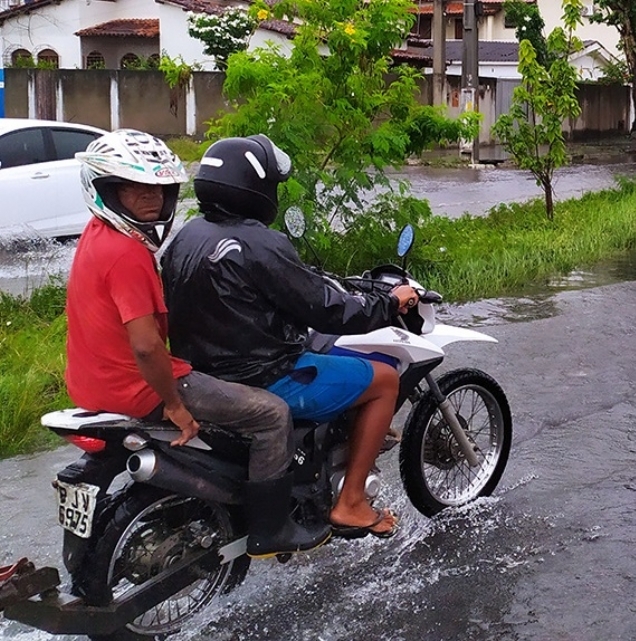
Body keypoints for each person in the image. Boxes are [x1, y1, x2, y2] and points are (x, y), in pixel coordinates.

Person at [65, 129, 330, 558]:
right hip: (137, 386)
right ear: (106, 191)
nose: (149, 199)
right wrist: (173, 404)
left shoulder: (97, 236)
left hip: (91, 386)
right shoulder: (127, 255)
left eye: (159, 189)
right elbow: (148, 347)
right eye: (133, 189)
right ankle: (271, 529)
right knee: (271, 414)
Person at [160, 134, 419, 539]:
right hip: (264, 375)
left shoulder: (187, 237)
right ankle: (351, 502)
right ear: (255, 186)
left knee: (329, 350)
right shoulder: (259, 242)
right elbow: (328, 309)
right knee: (384, 379)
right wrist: (387, 303)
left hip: (206, 374)